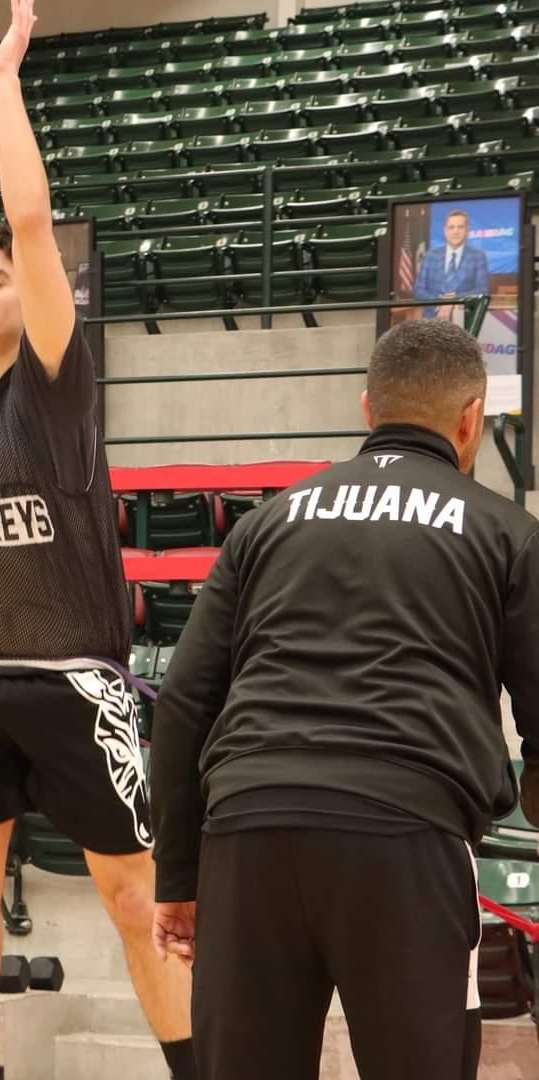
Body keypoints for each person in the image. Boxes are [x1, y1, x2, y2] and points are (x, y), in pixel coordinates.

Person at [0, 2, 194, 1078]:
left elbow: (29, 221)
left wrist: (4, 80)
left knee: (133, 899)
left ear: (40, 291)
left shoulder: (58, 386)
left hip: (74, 678)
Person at [150, 319, 539, 1080]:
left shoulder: (266, 524)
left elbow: (183, 704)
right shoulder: (508, 531)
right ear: (471, 420)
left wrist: (179, 878)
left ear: (368, 410)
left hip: (247, 833)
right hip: (406, 839)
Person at [412, 208, 490, 320]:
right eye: (451, 227)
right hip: (431, 321)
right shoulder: (430, 256)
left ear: (467, 231)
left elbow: (482, 290)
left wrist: (455, 300)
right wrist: (439, 302)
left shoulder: (478, 256)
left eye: (460, 227)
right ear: (445, 231)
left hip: (464, 319)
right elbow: (418, 290)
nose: (455, 231)